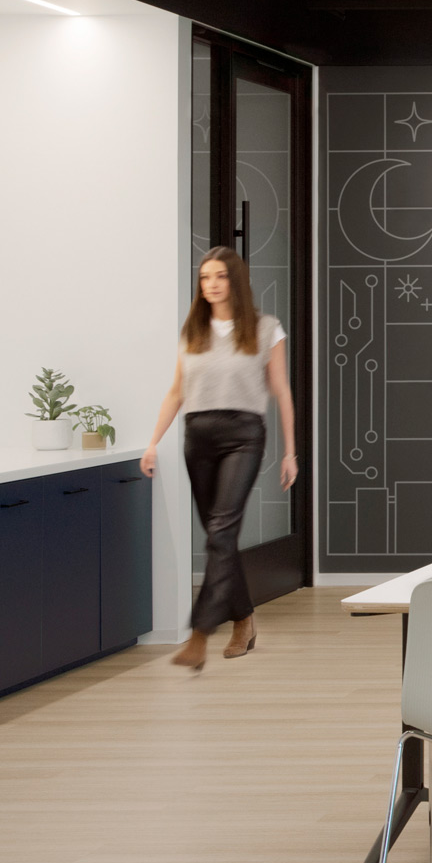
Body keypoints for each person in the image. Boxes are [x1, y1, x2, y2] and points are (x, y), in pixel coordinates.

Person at [141, 247, 298, 671]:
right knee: (219, 538)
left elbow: (281, 390)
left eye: (220, 276)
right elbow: (176, 391)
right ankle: (244, 619)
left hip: (243, 437)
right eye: (205, 277)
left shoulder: (266, 329)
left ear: (236, 281)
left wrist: (290, 452)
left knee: (221, 532)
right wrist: (153, 441)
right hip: (199, 437)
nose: (210, 284)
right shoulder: (193, 329)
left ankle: (199, 634)